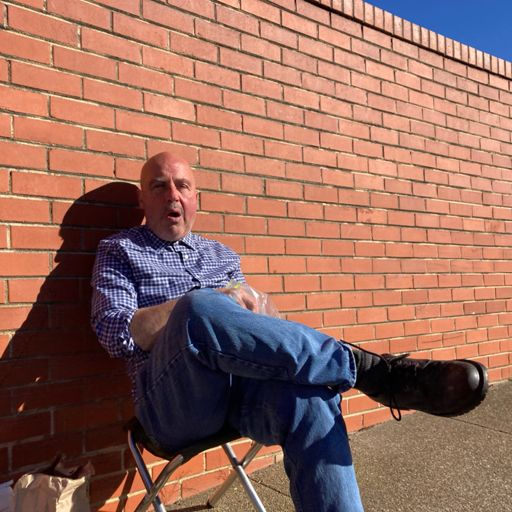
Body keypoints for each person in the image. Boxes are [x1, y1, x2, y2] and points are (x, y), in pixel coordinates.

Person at [91, 152, 488, 511]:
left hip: (239, 394)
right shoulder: (120, 250)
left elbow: (254, 330)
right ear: (142, 200)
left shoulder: (221, 255)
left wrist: (259, 312)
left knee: (311, 401)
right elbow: (113, 332)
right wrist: (202, 303)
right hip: (172, 405)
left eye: (182, 186)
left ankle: (362, 372)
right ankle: (372, 371)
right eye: (158, 186)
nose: (172, 195)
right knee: (198, 307)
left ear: (197, 198)